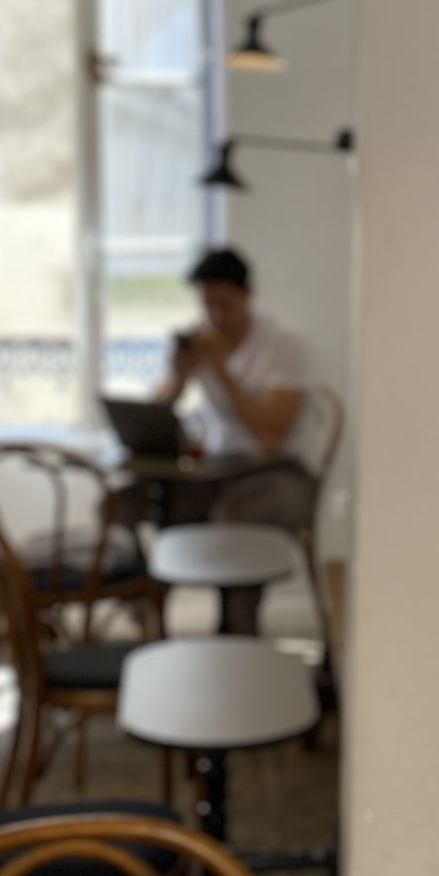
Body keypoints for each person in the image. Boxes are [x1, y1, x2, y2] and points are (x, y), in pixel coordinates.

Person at [152, 246, 328, 633]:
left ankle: (238, 630)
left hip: (286, 472)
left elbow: (271, 435)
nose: (215, 317)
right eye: (207, 306)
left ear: (249, 294)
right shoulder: (199, 338)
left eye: (224, 305)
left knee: (236, 517)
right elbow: (157, 411)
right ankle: (153, 626)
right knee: (161, 504)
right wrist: (177, 377)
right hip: (223, 468)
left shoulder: (285, 343)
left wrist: (221, 370)